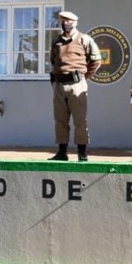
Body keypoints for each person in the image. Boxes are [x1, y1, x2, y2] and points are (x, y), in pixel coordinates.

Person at [48, 11, 101, 162]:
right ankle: (62, 152)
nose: (65, 23)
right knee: (60, 120)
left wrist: (84, 76)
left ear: (75, 23)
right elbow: (53, 61)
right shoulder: (56, 41)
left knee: (80, 120)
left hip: (77, 85)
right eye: (63, 21)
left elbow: (96, 61)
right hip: (59, 84)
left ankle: (82, 153)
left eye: (69, 21)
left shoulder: (85, 39)